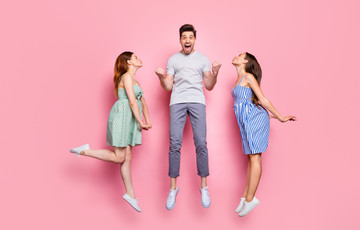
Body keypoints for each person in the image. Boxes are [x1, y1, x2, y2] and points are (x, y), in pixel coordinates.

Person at [70, 51, 152, 213]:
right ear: (128, 62)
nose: (138, 58)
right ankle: (84, 150)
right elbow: (132, 102)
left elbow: (142, 102)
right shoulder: (127, 77)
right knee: (120, 156)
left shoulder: (137, 81)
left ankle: (131, 194)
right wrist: (141, 122)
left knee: (126, 157)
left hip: (132, 118)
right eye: (135, 57)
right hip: (123, 115)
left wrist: (147, 120)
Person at [155, 24, 221, 210]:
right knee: (174, 143)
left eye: (190, 37)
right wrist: (161, 77)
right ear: (180, 39)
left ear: (194, 40)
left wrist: (216, 73)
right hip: (177, 102)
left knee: (201, 142)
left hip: (197, 101)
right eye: (184, 37)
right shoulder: (173, 60)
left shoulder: (202, 59)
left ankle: (204, 187)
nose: (187, 40)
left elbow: (208, 85)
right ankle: (173, 188)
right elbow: (168, 86)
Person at [231, 52, 296, 217]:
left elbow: (263, 99)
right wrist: (265, 114)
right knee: (250, 159)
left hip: (253, 120)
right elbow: (252, 101)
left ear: (246, 61)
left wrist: (281, 117)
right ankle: (245, 196)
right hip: (247, 121)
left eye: (239, 56)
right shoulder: (239, 80)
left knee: (255, 158)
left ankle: (251, 199)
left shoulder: (248, 77)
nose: (236, 57)